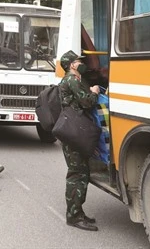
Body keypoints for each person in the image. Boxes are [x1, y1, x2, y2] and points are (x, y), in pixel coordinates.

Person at [58, 50, 100, 231]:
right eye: (78, 61)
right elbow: (87, 102)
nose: (81, 63)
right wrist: (94, 92)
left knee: (82, 173)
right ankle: (73, 216)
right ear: (71, 65)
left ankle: (78, 212)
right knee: (77, 174)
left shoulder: (70, 80)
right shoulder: (72, 80)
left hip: (73, 130)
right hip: (74, 132)